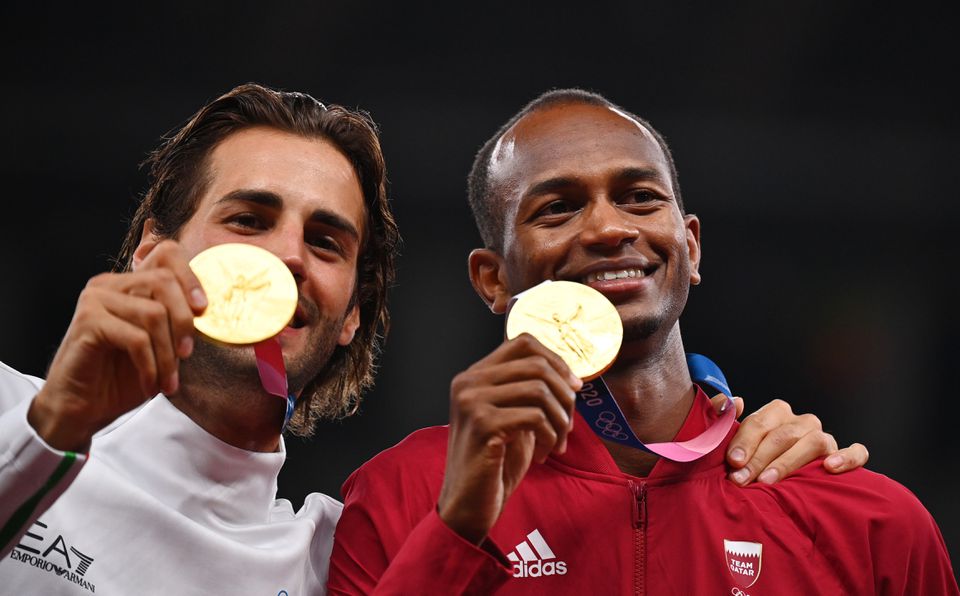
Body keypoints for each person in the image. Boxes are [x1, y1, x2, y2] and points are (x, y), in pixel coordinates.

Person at [0, 82, 868, 594]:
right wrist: (50, 430)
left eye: (327, 241)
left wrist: (724, 444)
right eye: (249, 218)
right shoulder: (7, 408)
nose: (286, 259)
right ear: (154, 250)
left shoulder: (318, 551)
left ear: (348, 316)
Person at [328, 89, 958, 594]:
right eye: (557, 208)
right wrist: (457, 530)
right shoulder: (403, 493)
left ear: (691, 245)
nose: (608, 227)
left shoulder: (866, 519)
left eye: (639, 198)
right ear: (493, 279)